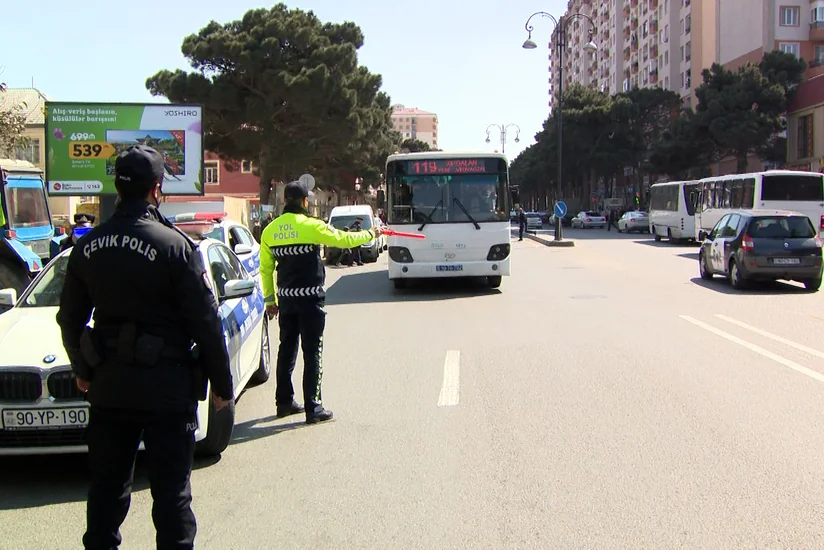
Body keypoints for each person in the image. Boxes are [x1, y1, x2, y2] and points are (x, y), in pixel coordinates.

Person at [56, 144, 234, 550]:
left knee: (106, 491)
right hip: (167, 390)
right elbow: (206, 323)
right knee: (171, 497)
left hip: (110, 388)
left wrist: (82, 369)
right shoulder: (175, 246)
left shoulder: (87, 246)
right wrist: (222, 387)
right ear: (156, 189)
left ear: (117, 188)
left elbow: (69, 319)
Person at [260, 181, 382, 424]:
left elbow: (265, 269)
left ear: (285, 201)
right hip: (310, 300)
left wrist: (270, 300)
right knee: (312, 352)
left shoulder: (270, 231)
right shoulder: (312, 226)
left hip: (286, 301)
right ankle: (313, 407)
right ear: (305, 202)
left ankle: (283, 402)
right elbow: (344, 239)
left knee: (287, 350)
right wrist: (371, 234)